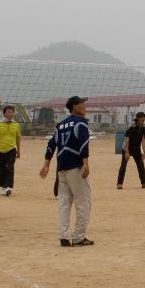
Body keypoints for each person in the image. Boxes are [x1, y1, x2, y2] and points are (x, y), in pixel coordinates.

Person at [39, 96, 93, 247]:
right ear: (73, 106)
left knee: (64, 203)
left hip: (61, 168)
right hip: (75, 167)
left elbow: (51, 144)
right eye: (81, 103)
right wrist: (85, 163)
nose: (83, 106)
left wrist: (46, 164)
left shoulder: (60, 125)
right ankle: (79, 237)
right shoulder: (81, 123)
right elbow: (83, 144)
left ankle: (63, 236)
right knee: (83, 203)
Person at [117, 112, 145, 190]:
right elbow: (126, 141)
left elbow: (143, 141)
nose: (143, 119)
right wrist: (127, 153)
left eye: (144, 117)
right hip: (127, 147)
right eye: (141, 117)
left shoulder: (144, 129)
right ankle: (119, 183)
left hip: (136, 149)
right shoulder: (132, 128)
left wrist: (144, 152)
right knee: (123, 165)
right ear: (137, 119)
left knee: (141, 165)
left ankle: (144, 183)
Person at [0, 105, 21, 197]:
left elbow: (18, 138)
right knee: (1, 169)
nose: (10, 114)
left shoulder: (16, 124)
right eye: (8, 112)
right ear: (4, 113)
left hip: (12, 149)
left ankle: (9, 187)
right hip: (0, 149)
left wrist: (19, 151)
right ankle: (2, 187)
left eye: (12, 112)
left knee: (9, 167)